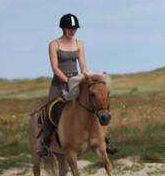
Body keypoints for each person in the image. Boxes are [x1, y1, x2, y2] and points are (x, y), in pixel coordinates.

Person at [36, 13, 117, 157]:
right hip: (59, 82)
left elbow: (83, 64)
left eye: (74, 28)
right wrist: (66, 80)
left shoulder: (79, 43)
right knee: (51, 108)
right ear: (63, 28)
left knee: (94, 104)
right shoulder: (54, 45)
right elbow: (55, 67)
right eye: (69, 28)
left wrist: (85, 78)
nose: (72, 31)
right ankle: (46, 143)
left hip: (77, 81)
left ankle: (104, 140)